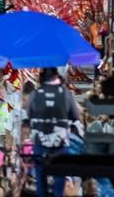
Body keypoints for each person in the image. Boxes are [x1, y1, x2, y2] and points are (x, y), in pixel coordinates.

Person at [28, 67, 81, 196]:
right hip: (60, 141)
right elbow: (76, 116)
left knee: (40, 180)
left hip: (40, 140)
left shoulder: (35, 94)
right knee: (59, 179)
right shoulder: (66, 93)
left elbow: (29, 114)